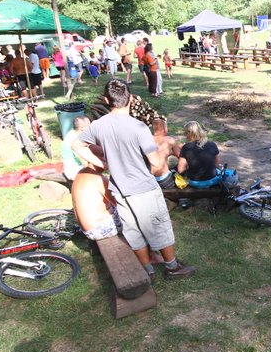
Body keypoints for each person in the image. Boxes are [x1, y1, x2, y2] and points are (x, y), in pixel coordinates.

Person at [71, 80, 195, 279]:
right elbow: (155, 162)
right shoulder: (138, 127)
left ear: (106, 100)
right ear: (129, 99)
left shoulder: (97, 126)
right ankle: (172, 267)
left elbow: (76, 145)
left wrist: (103, 164)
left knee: (133, 230)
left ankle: (147, 270)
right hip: (144, 188)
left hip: (120, 190)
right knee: (159, 226)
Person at [177, 121, 221, 188]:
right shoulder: (212, 144)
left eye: (186, 133)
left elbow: (180, 169)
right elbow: (217, 163)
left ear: (191, 133)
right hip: (212, 180)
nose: (185, 135)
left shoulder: (186, 147)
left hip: (194, 182)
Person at [150, 117, 181, 190]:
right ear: (164, 128)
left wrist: (169, 153)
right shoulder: (170, 140)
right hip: (164, 181)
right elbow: (181, 157)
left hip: (149, 180)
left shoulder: (146, 139)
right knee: (181, 167)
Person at [61, 115, 91, 182]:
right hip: (74, 170)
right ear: (82, 128)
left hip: (72, 166)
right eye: (89, 126)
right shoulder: (75, 141)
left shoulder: (73, 133)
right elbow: (84, 162)